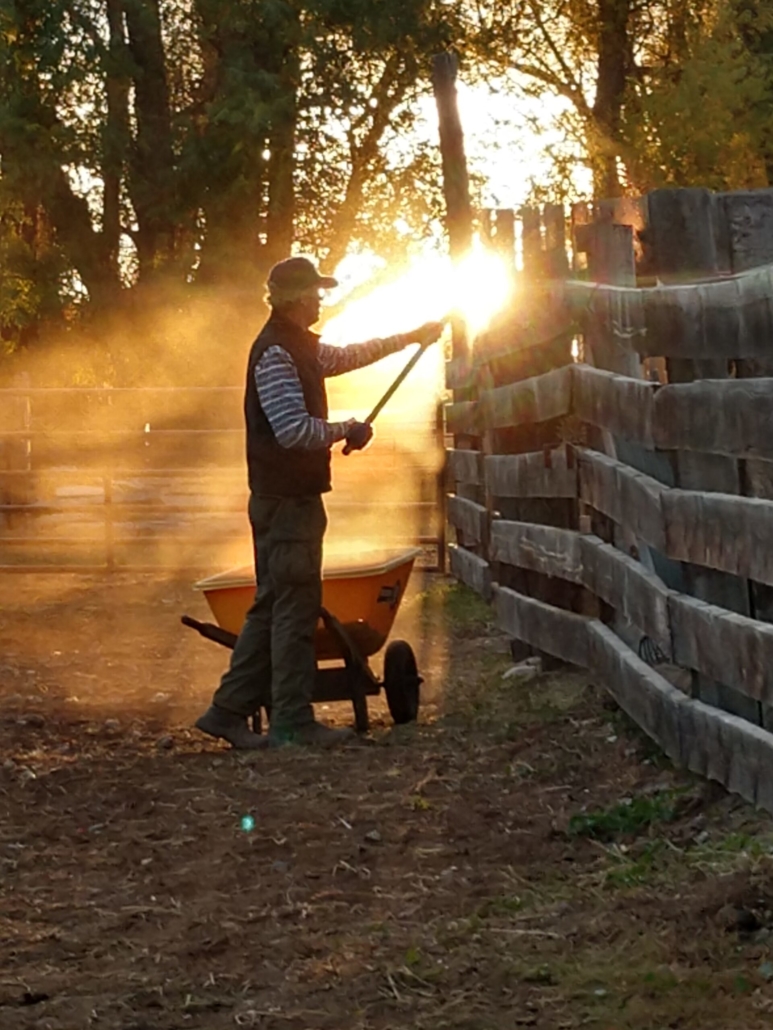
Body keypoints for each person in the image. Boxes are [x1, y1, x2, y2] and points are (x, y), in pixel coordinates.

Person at [195, 256, 444, 749]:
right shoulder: (276, 354)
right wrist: (343, 430)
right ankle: (291, 719)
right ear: (292, 299)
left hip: (287, 499)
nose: (319, 299)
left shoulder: (299, 348)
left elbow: (349, 356)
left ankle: (226, 712)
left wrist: (410, 336)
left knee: (272, 606)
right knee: (295, 608)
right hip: (288, 502)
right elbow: (291, 430)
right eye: (312, 293)